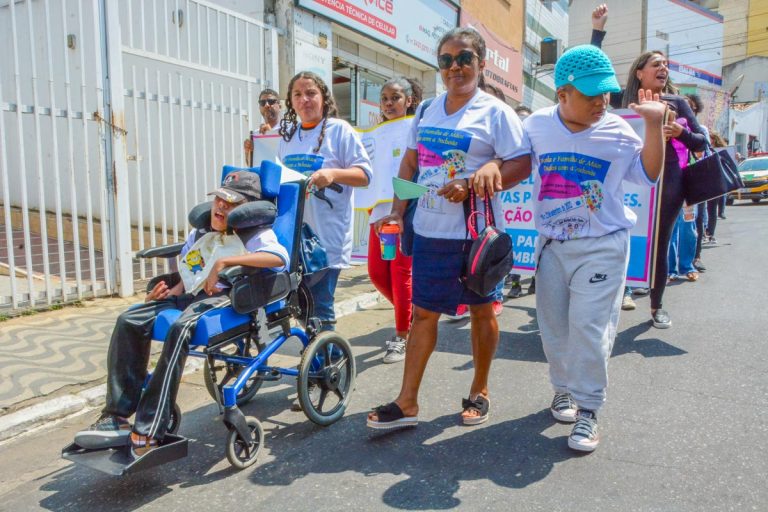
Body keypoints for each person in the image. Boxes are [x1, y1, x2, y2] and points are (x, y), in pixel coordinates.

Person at [367, 27, 531, 430]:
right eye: (446, 60)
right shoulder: (426, 111)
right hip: (429, 231)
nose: (455, 67)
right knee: (423, 314)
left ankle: (480, 391)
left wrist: (481, 175)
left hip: (475, 235)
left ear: (480, 63)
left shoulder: (495, 112)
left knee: (480, 311)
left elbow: (521, 162)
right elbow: (410, 164)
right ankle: (407, 403)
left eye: (464, 59)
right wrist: (397, 212)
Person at [74, 171, 289, 456]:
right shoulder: (200, 232)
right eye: (219, 199)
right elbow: (189, 274)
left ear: (246, 209)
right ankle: (116, 414)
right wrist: (161, 298)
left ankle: (150, 427)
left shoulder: (255, 233)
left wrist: (225, 262)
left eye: (230, 203)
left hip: (230, 298)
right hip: (192, 295)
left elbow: (280, 258)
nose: (220, 207)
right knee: (130, 319)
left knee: (181, 329)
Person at [525, 45, 666, 452]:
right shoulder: (535, 126)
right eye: (591, 94)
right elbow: (513, 162)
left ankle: (588, 410)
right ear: (562, 93)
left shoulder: (618, 131)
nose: (602, 102)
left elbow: (648, 176)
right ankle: (563, 388)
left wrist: (654, 126)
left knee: (589, 327)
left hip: (603, 245)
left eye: (605, 93)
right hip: (553, 245)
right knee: (554, 329)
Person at [278, 71, 372, 332]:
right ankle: (314, 360)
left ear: (323, 97)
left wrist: (331, 174)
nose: (304, 99)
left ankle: (328, 365)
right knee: (299, 306)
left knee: (321, 306)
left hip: (327, 236)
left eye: (311, 93)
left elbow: (364, 175)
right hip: (295, 237)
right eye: (298, 94)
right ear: (291, 101)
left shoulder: (339, 130)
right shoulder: (288, 138)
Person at [367, 77, 422, 364]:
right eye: (385, 98)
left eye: (395, 98)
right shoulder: (374, 133)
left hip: (402, 213)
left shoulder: (416, 129)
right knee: (377, 273)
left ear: (409, 100)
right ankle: (414, 317)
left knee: (400, 273)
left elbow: (415, 171)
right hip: (378, 214)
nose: (389, 103)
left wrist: (405, 208)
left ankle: (401, 336)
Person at [449, 82, 509, 320]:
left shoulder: (502, 128)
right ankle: (463, 299)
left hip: (484, 216)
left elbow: (516, 159)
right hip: (448, 222)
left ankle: (495, 295)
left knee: (487, 259)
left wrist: (493, 165)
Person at [506, 104, 535, 300]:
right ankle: (515, 283)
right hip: (513, 208)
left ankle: (535, 279)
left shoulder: (538, 145)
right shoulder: (506, 146)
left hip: (532, 206)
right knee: (514, 247)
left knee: (533, 246)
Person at [244, 89, 283, 166]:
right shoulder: (256, 134)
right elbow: (251, 164)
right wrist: (248, 152)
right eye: (262, 103)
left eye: (271, 101)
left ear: (280, 106)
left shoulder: (289, 130)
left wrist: (270, 135)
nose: (266, 105)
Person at [704, 131, 729, 244]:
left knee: (711, 209)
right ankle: (708, 231)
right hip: (712, 182)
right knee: (708, 209)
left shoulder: (717, 151)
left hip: (715, 182)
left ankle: (710, 232)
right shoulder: (708, 149)